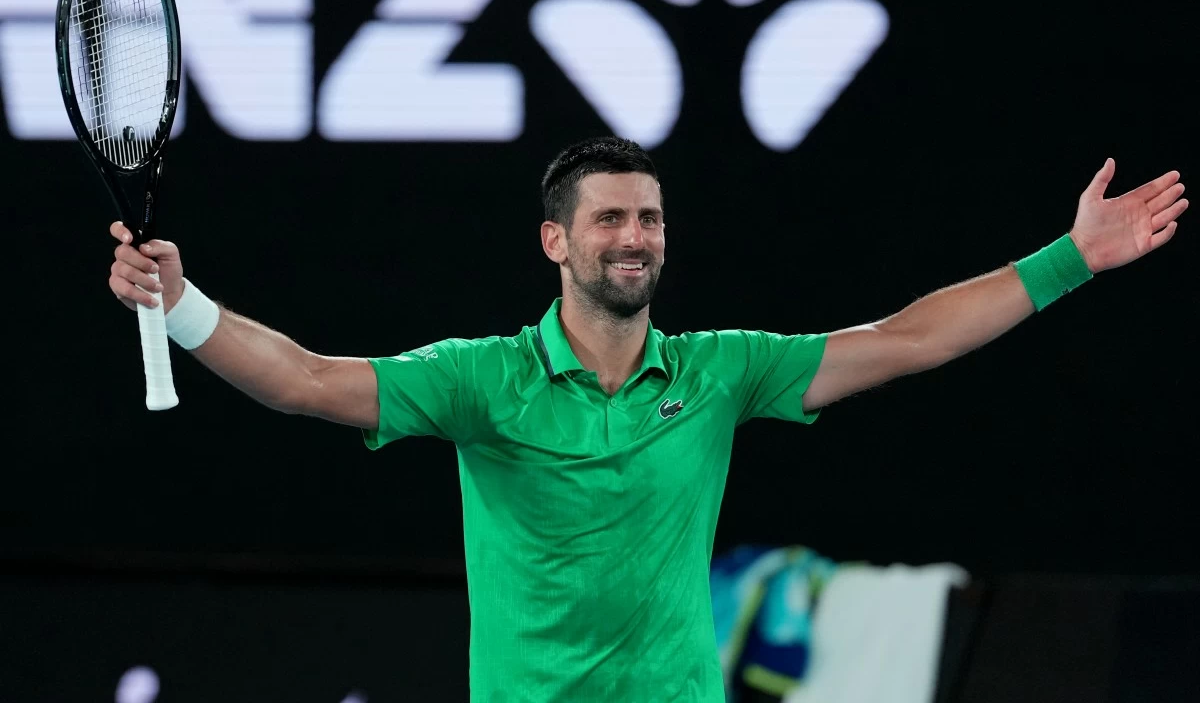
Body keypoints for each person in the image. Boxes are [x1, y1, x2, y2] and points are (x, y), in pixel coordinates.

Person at [107, 136, 1186, 702]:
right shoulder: (482, 379)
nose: (636, 235)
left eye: (651, 216)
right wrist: (187, 305)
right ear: (555, 243)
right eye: (611, 217)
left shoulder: (719, 372)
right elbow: (302, 378)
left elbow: (910, 337)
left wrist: (1072, 258)